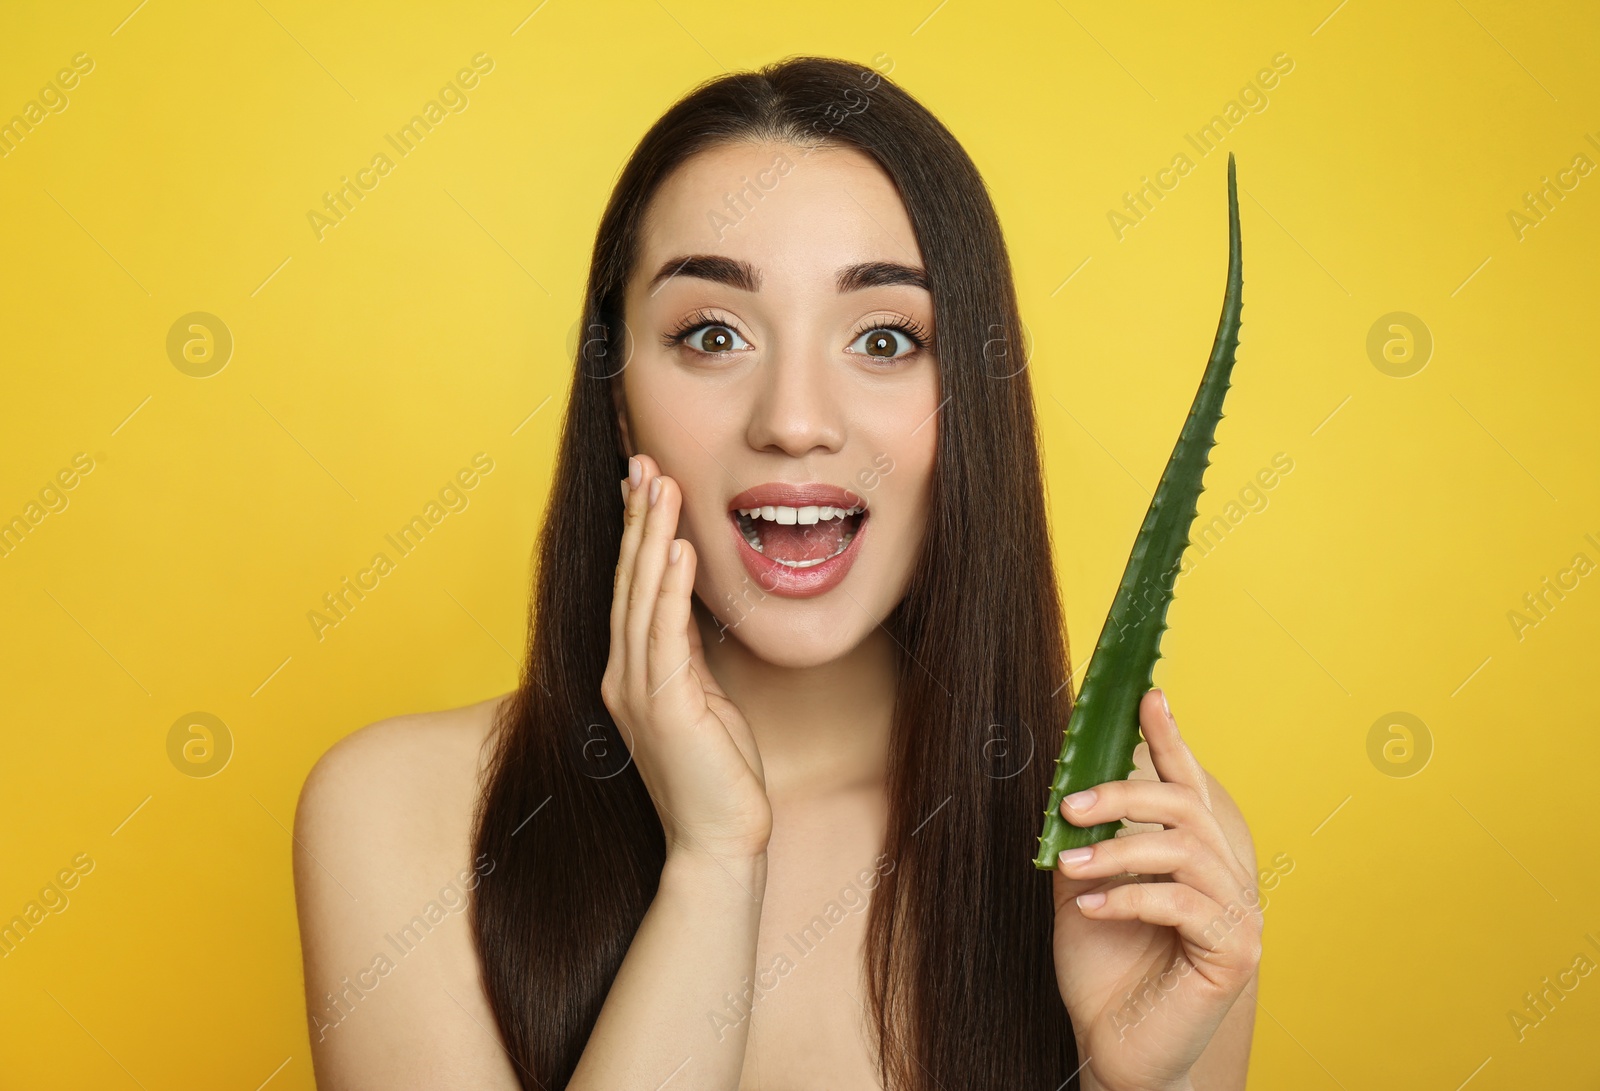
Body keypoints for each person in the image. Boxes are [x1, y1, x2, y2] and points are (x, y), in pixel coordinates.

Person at [293, 54, 1261, 1090]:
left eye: (885, 337)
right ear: (619, 400)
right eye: (712, 333)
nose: (794, 420)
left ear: (969, 403)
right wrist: (714, 862)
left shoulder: (1139, 863)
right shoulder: (400, 816)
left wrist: (1133, 1084)